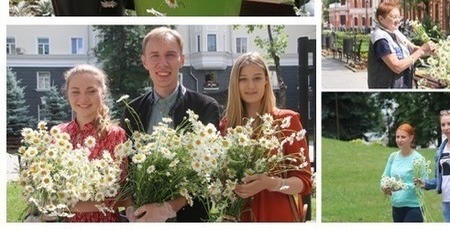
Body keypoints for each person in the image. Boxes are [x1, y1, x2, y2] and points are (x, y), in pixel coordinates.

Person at [121, 27, 221, 222]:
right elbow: (125, 167)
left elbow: (208, 171)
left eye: (170, 55)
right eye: (155, 56)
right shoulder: (132, 111)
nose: (163, 63)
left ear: (181, 60)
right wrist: (130, 208)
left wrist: (168, 208)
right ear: (144, 62)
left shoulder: (205, 107)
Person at [220, 52, 313, 222]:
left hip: (277, 217)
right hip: (238, 217)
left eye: (256, 78)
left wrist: (271, 183)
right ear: (235, 83)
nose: (250, 85)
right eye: (243, 79)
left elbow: (304, 183)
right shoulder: (226, 127)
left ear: (266, 81)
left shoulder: (286, 121)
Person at [59, 64, 127, 222]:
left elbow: (123, 194)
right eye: (75, 92)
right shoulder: (59, 134)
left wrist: (67, 204)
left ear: (103, 93)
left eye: (91, 91)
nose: (83, 99)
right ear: (67, 94)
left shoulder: (115, 135)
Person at [367, 2, 435, 89]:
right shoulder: (380, 39)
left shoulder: (395, 32)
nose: (398, 20)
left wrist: (429, 51)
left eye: (399, 17)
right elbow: (397, 67)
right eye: (394, 17)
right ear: (381, 19)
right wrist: (421, 51)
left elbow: (413, 48)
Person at [380, 123, 427, 222]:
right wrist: (384, 186)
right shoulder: (393, 157)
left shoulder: (418, 159)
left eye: (403, 137)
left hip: (413, 207)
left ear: (411, 138)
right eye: (397, 137)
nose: (399, 140)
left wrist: (401, 186)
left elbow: (423, 183)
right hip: (396, 206)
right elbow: (385, 176)